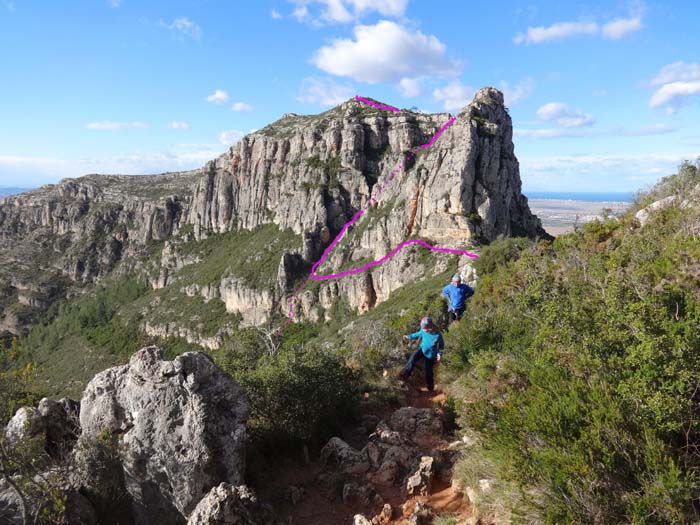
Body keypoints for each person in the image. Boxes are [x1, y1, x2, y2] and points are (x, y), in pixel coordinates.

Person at [399, 316, 444, 391]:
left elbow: (441, 346)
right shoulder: (423, 330)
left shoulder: (437, 335)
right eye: (422, 328)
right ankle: (405, 374)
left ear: (429, 327)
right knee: (413, 358)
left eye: (424, 328)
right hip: (422, 349)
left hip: (430, 355)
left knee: (428, 371)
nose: (423, 330)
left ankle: (430, 386)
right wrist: (409, 337)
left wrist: (439, 354)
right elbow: (418, 334)